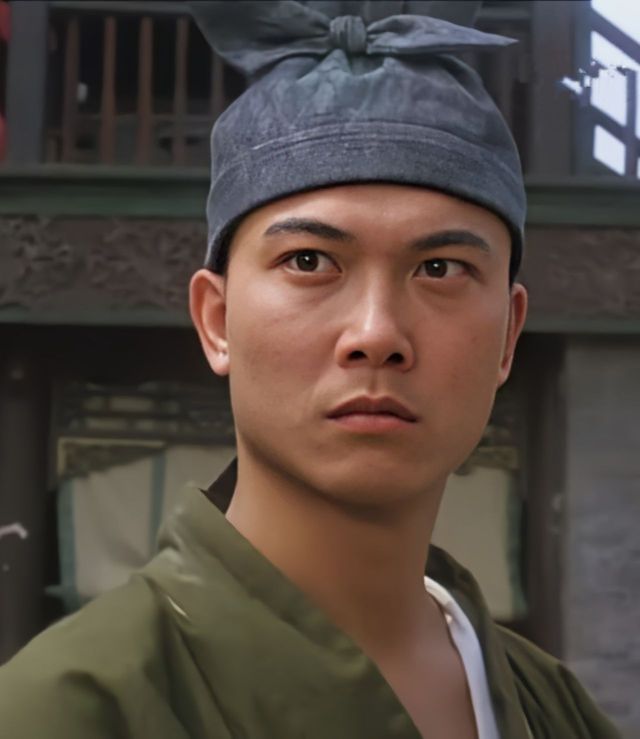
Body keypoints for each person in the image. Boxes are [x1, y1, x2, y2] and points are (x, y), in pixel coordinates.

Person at [0, 2, 620, 737]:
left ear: (508, 336)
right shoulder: (68, 709)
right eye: (308, 261)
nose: (377, 334)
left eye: (440, 268)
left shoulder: (555, 709)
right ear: (216, 320)